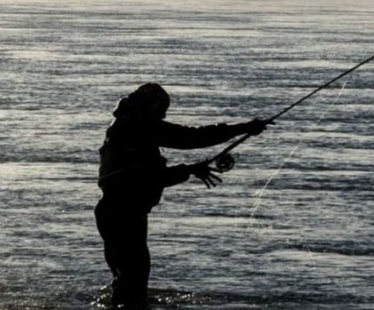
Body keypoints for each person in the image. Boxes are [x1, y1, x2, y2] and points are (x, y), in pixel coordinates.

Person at [94, 83, 270, 309]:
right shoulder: (139, 129)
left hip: (114, 213)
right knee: (134, 282)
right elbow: (189, 139)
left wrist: (190, 168)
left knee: (126, 281)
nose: (162, 116)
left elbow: (146, 175)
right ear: (152, 108)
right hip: (125, 215)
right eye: (160, 111)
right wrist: (244, 128)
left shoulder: (124, 127)